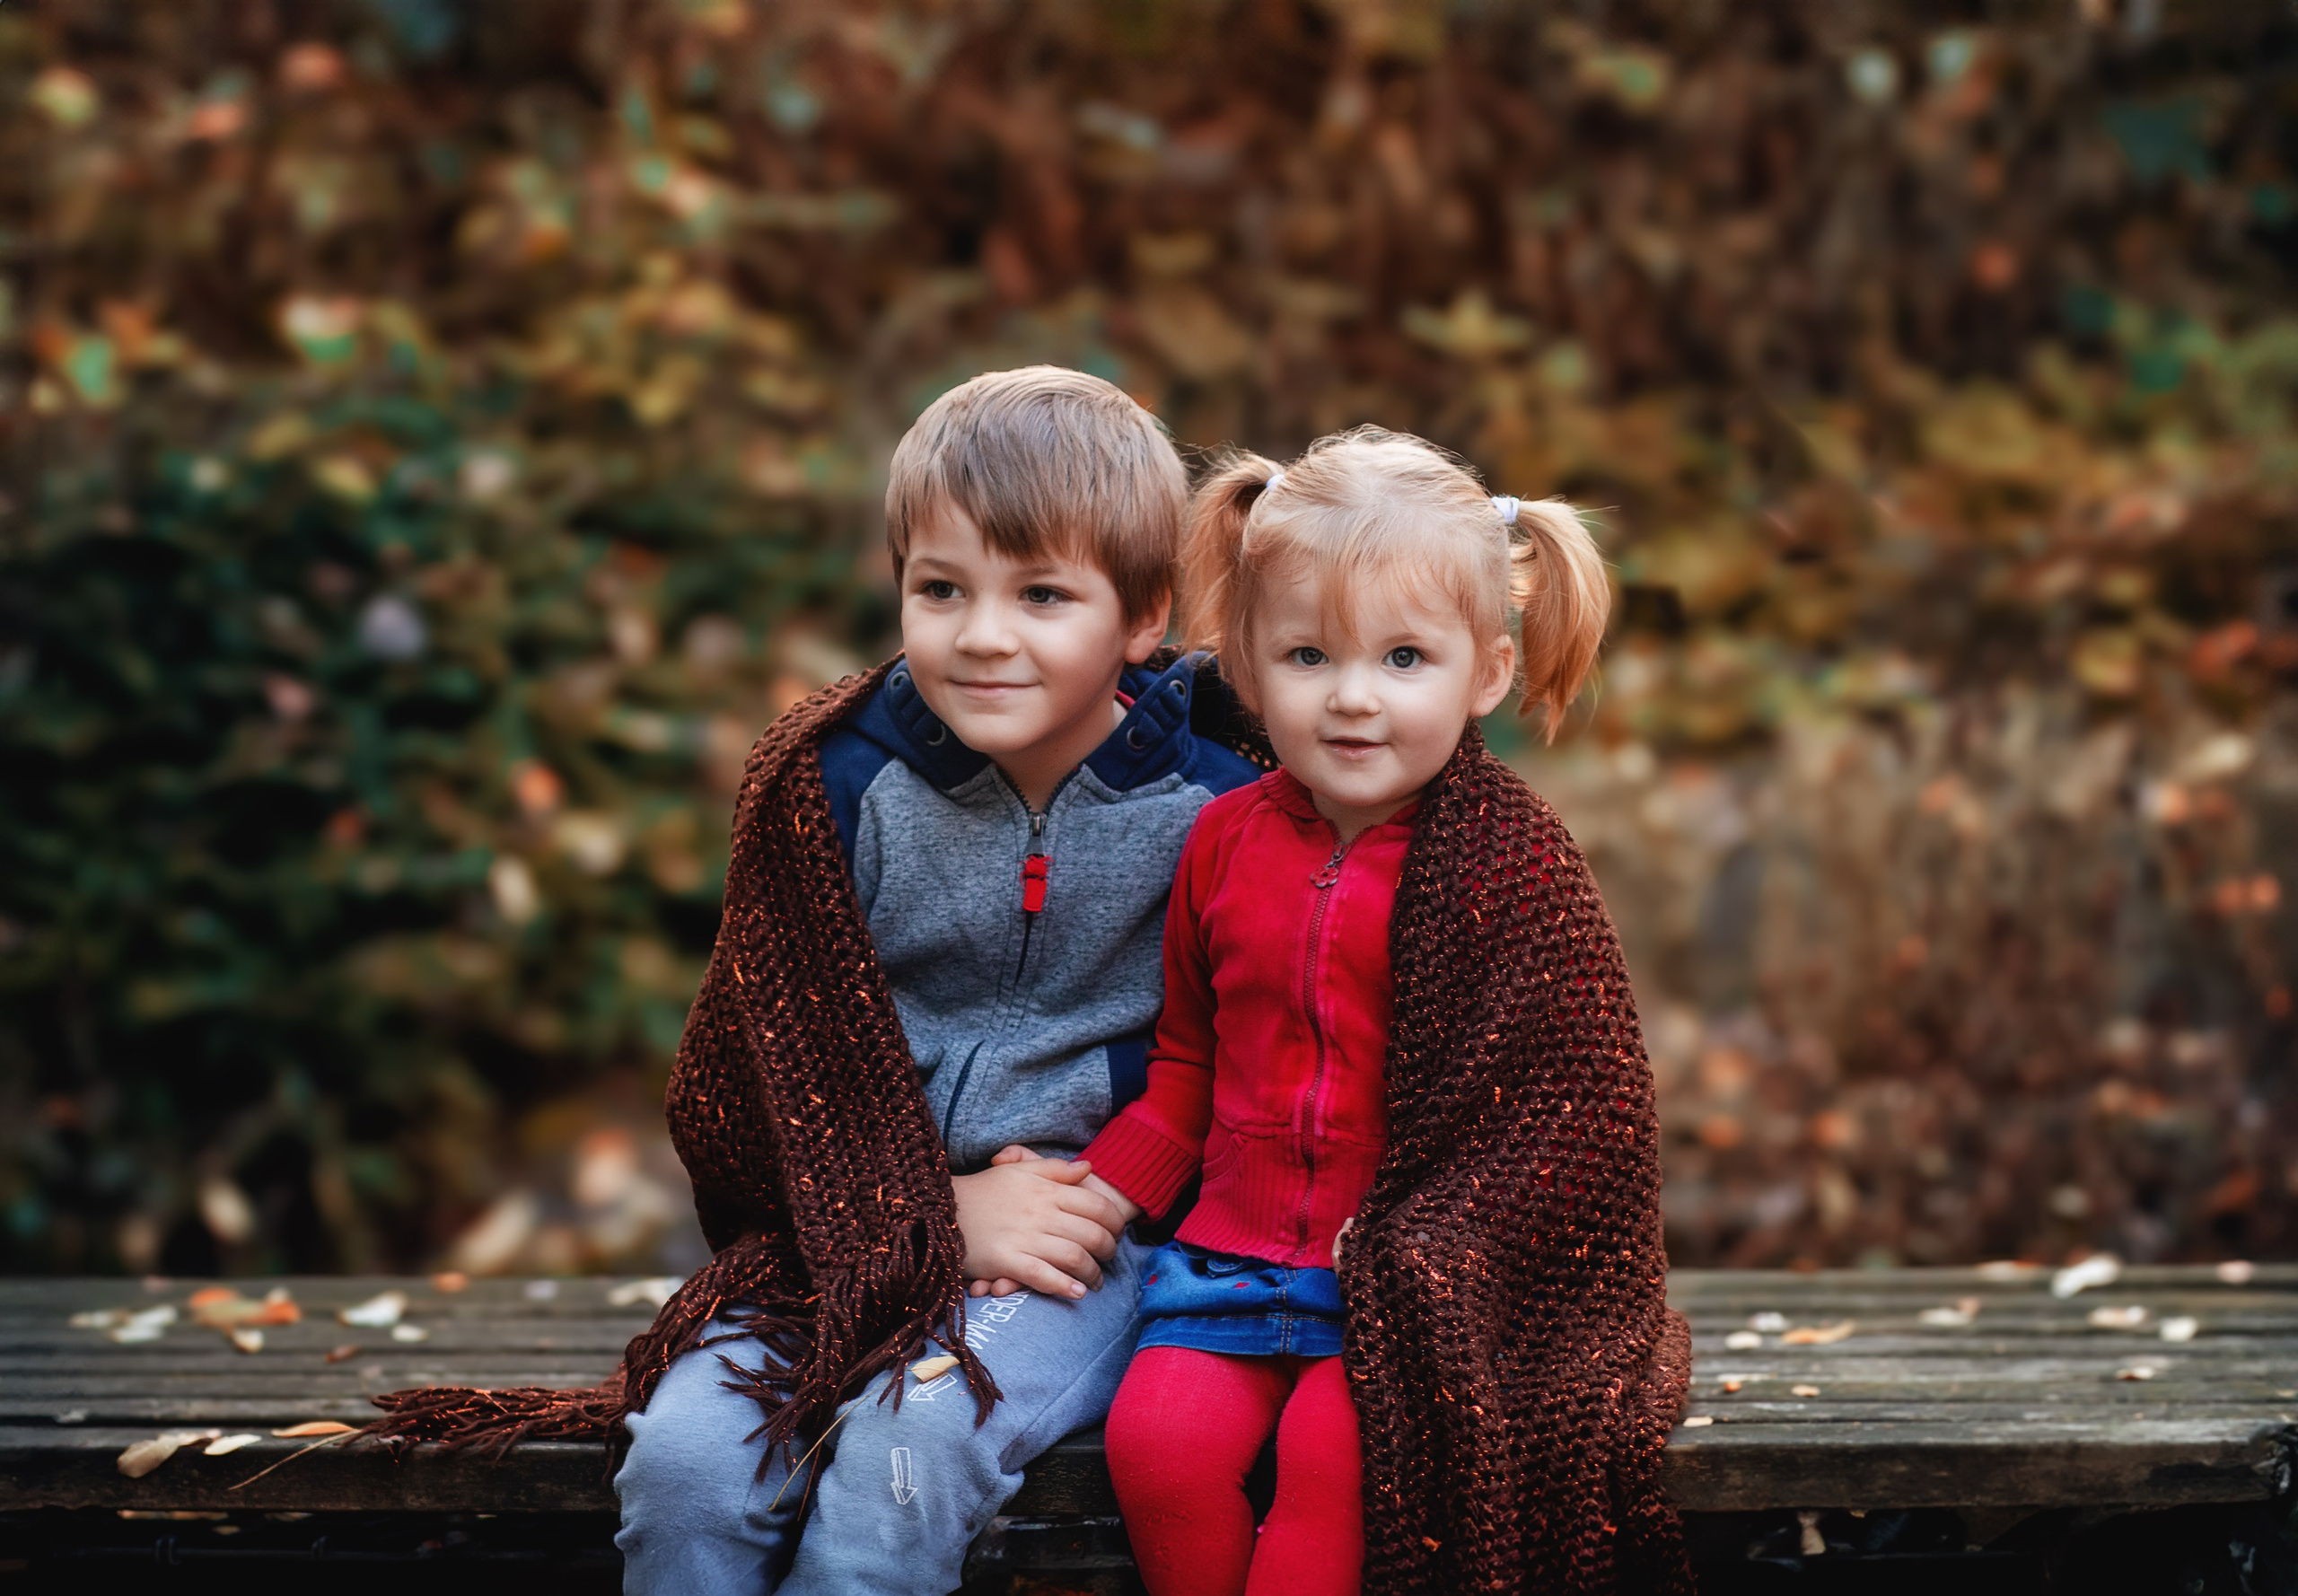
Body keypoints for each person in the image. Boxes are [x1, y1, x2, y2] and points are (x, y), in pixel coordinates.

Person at [368, 366, 1264, 1595]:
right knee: (683, 1466)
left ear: (1144, 617)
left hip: (1077, 1249)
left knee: (905, 1455)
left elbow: (1257, 1066)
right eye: (939, 588)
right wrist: (927, 1210)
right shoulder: (835, 785)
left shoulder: (1221, 806)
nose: (982, 632)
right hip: (834, 1236)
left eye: (1042, 593)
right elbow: (751, 1088)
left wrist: (1078, 1205)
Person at [1075, 428, 1693, 1594]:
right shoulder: (1221, 843)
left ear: (1488, 674)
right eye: (1309, 656)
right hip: (1230, 1256)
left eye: (1405, 658)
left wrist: (1439, 1240)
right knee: (1157, 1443)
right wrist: (1101, 1192)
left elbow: (1573, 1115)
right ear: (1249, 669)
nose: (1355, 698)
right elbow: (1187, 1063)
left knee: (1336, 1464)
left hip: (1408, 1280)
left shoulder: (1511, 867)